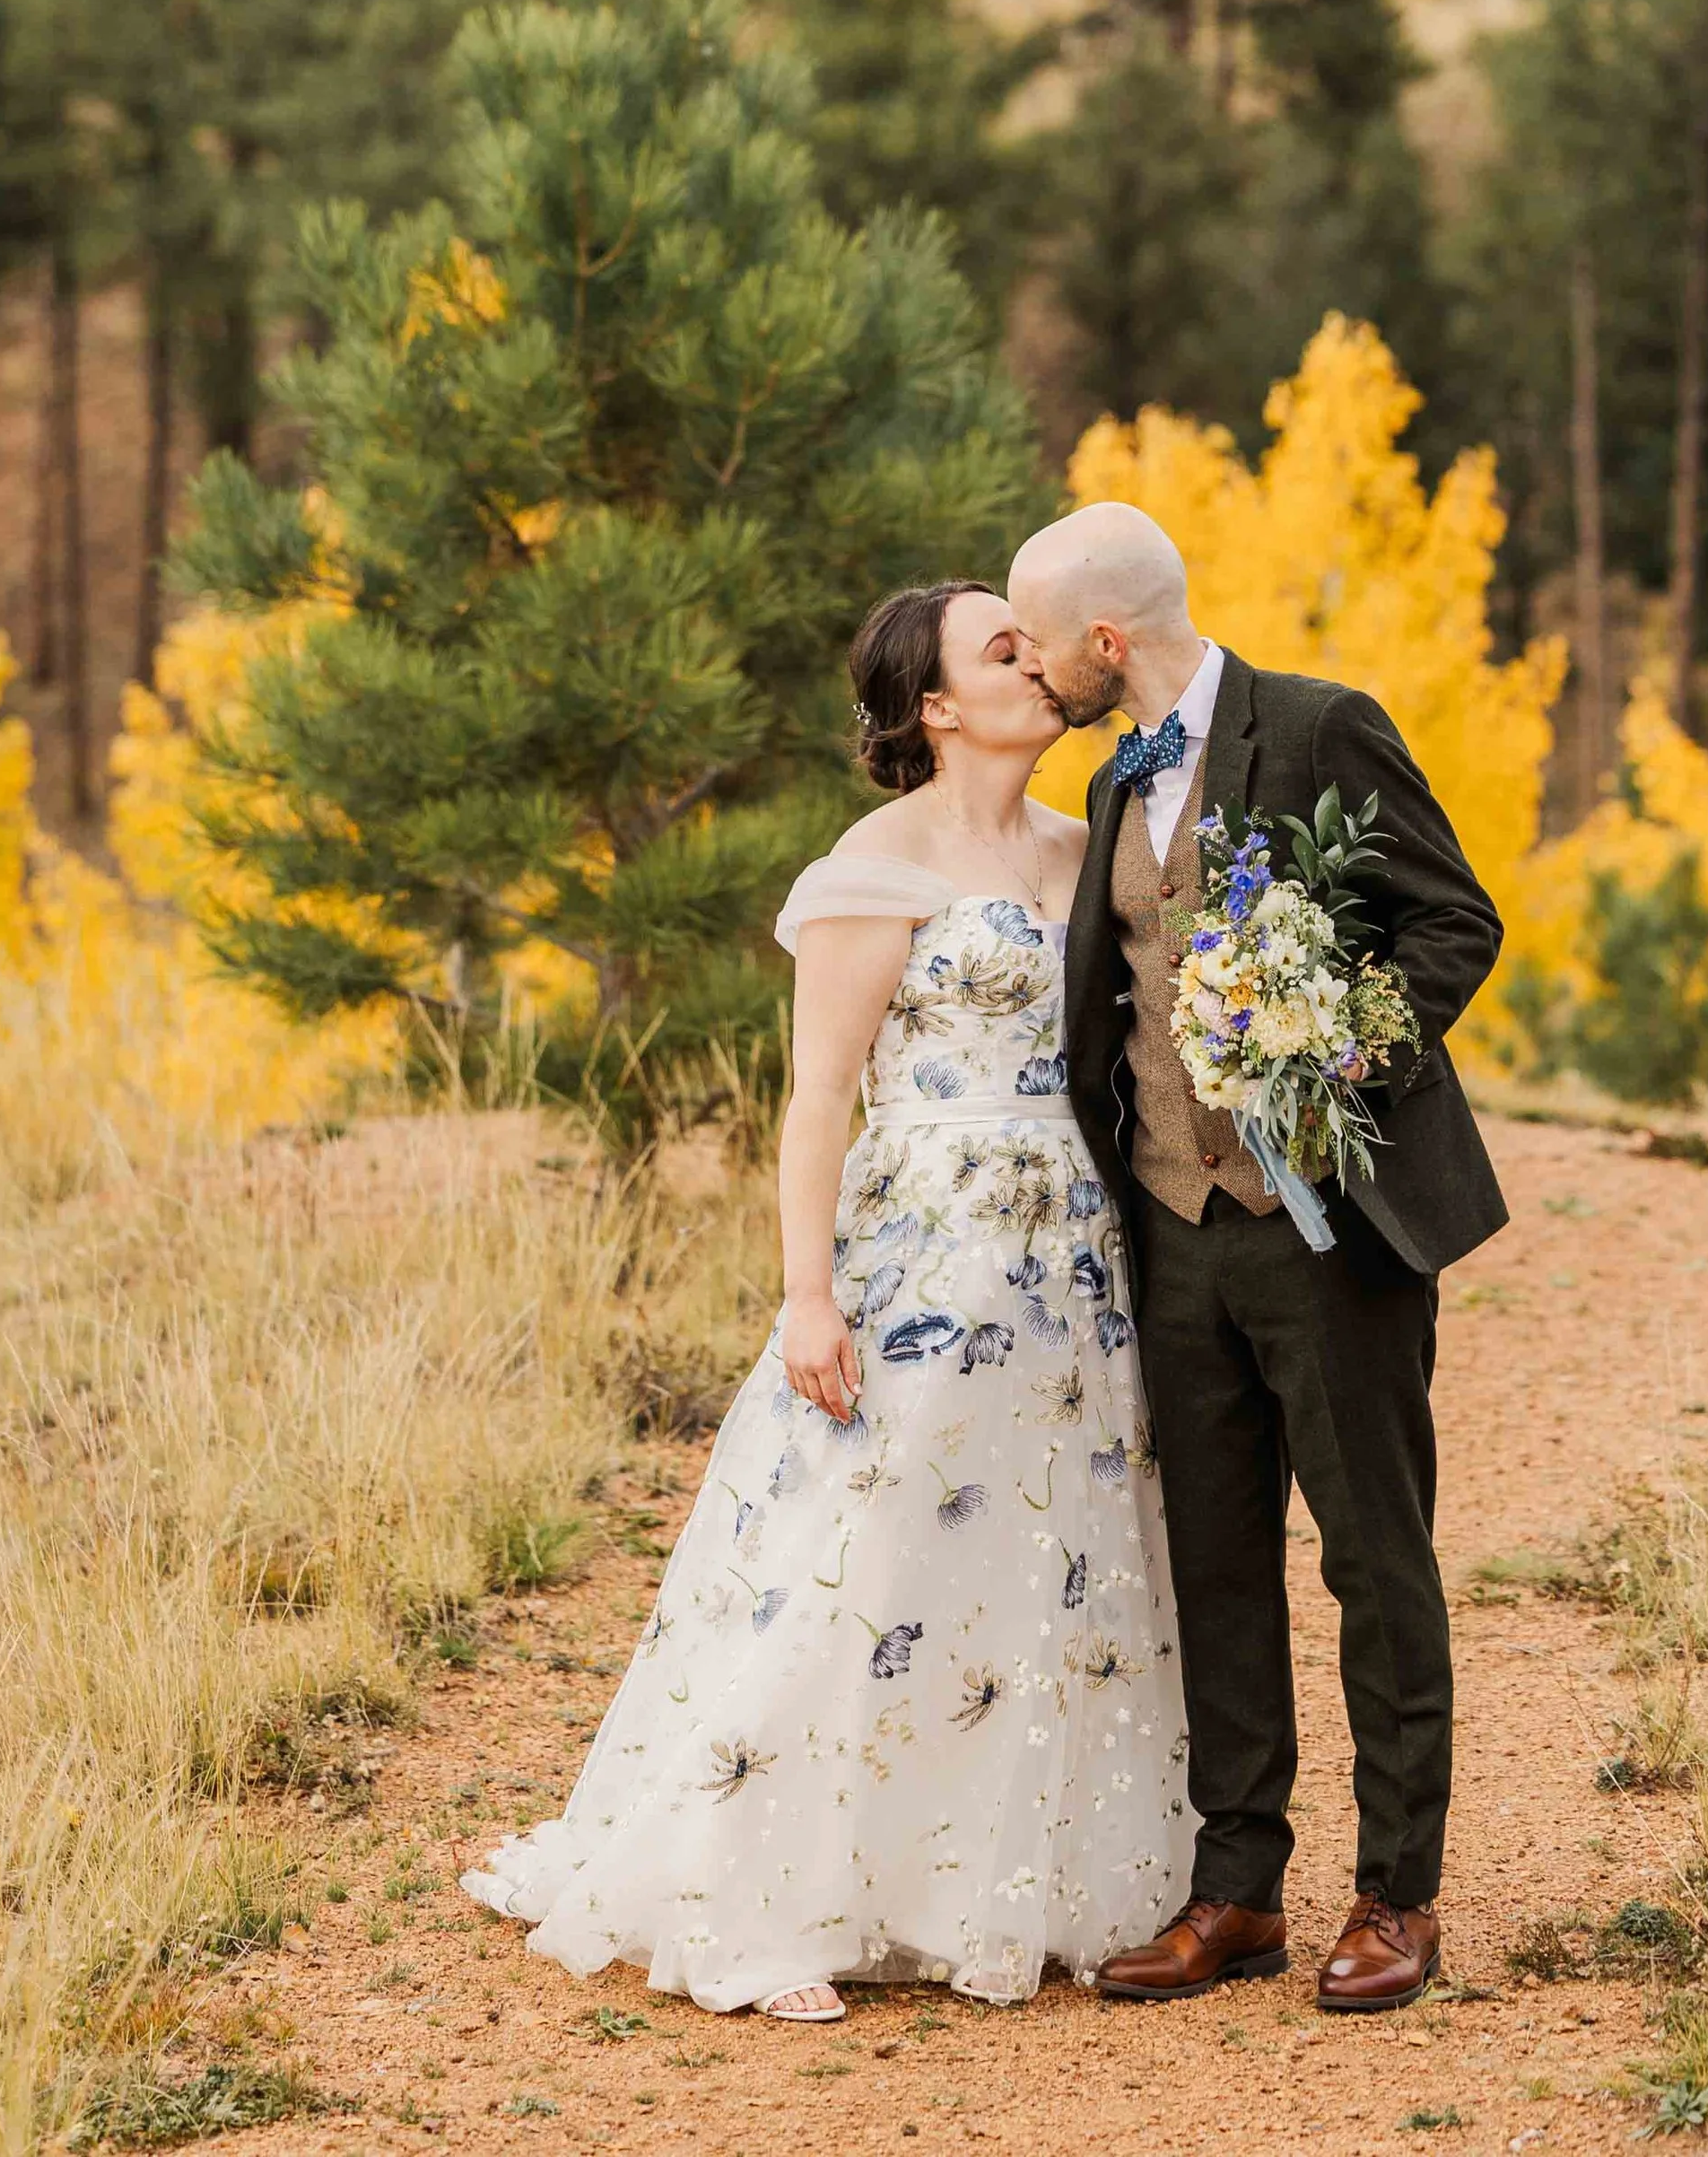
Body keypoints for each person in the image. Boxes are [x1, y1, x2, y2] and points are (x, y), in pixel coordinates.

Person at [463, 579, 1192, 2018]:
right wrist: (809, 1295)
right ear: (935, 705)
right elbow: (813, 1104)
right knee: (869, 1552)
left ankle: (999, 1867)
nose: (1037, 662)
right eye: (1002, 647)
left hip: (1076, 1261)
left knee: (1050, 1551)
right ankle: (784, 1871)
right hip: (925, 1253)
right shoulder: (875, 865)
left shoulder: (1087, 843)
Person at [1007, 502, 1505, 2014]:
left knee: (1372, 1554)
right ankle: (1238, 1890)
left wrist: (1334, 1044)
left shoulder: (1321, 727)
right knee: (1215, 1564)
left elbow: (1453, 922)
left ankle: (1396, 1894)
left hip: (1331, 1231)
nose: (1031, 667)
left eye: (1040, 640)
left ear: (1109, 639)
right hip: (1174, 1227)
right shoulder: (1108, 782)